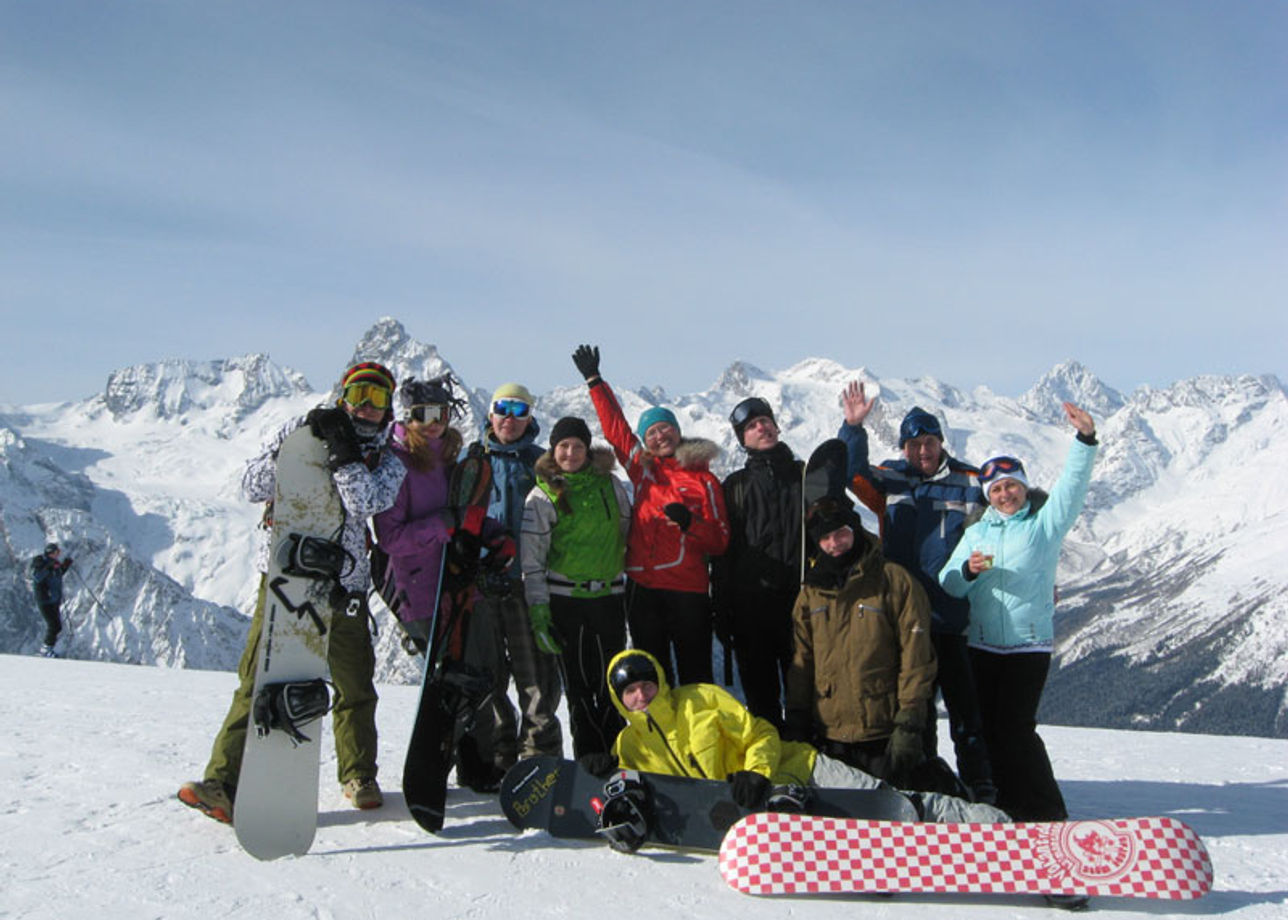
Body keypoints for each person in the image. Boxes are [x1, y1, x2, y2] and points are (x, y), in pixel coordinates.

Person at [178, 361, 407, 823]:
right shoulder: (299, 431)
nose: (366, 407)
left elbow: (362, 502)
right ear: (342, 395)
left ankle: (358, 774)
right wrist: (305, 443)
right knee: (258, 677)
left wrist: (342, 455)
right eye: (359, 393)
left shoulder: (389, 463)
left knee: (353, 684)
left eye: (378, 399)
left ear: (388, 411)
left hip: (344, 585)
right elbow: (251, 485)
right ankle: (223, 781)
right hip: (286, 579)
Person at [582, 649, 1006, 851]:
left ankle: (993, 829)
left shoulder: (701, 699)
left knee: (892, 804)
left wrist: (757, 771)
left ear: (659, 680)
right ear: (621, 700)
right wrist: (608, 770)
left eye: (646, 684)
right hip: (771, 809)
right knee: (870, 833)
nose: (641, 695)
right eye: (631, 691)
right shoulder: (630, 743)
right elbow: (648, 788)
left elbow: (761, 732)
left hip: (801, 769)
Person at [940, 401, 1099, 827]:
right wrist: (967, 571)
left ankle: (1047, 808)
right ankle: (1007, 807)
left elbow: (1071, 489)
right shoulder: (977, 532)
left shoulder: (1044, 525)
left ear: (1023, 488)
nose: (1005, 494)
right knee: (989, 730)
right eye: (996, 490)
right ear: (988, 497)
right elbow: (948, 583)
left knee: (1016, 729)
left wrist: (1084, 441)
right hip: (982, 645)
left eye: (1011, 486)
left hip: (1028, 644)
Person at [838, 383, 996, 803]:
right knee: (915, 712)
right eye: (913, 444)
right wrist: (853, 426)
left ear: (941, 442)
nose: (922, 451)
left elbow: (1008, 521)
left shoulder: (970, 481)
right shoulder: (891, 479)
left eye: (928, 442)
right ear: (904, 447)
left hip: (952, 618)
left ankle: (981, 787)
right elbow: (849, 472)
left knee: (966, 712)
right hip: (904, 622)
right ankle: (925, 783)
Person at [572, 345, 730, 685]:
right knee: (651, 680)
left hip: (687, 591)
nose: (659, 436)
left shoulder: (705, 480)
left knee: (695, 678)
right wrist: (595, 381)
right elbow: (616, 430)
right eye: (651, 433)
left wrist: (691, 524)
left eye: (665, 429)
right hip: (642, 590)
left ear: (677, 431)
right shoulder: (642, 470)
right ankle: (658, 738)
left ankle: (698, 737)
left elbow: (720, 541)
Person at [783, 495, 937, 787]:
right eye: (825, 537)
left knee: (888, 819)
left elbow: (916, 656)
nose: (834, 543)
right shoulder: (812, 591)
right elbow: (802, 659)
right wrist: (797, 715)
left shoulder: (893, 580)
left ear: (854, 530)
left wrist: (910, 721)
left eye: (840, 532)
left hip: (883, 730)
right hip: (830, 732)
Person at [458, 383, 564, 792]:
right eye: (502, 408)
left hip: (527, 583)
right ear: (490, 414)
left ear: (529, 418)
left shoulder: (542, 464)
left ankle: (539, 756)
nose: (509, 417)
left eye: (519, 410)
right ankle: (499, 755)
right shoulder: (471, 461)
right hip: (482, 586)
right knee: (489, 675)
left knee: (536, 674)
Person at [520, 415, 632, 758]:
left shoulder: (610, 485)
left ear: (588, 449)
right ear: (554, 450)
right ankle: (589, 760)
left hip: (610, 598)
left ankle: (618, 754)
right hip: (566, 600)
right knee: (580, 687)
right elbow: (532, 561)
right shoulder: (541, 496)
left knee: (613, 684)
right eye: (564, 446)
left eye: (578, 446)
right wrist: (539, 611)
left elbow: (626, 531)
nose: (571, 453)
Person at [711, 396, 804, 727]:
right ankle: (773, 770)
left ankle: (812, 770)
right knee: (762, 708)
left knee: (806, 702)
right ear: (743, 439)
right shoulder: (735, 487)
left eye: (765, 421)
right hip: (752, 615)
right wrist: (722, 611)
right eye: (751, 425)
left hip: (802, 609)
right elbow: (722, 555)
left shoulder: (805, 477)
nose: (761, 427)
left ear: (777, 427)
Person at [31, 543, 73, 658]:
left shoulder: (54, 564)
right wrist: (49, 567)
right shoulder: (40, 562)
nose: (58, 555)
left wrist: (65, 566)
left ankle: (47, 649)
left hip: (53, 599)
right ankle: (45, 650)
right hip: (44, 600)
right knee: (53, 624)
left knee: (57, 626)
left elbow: (57, 575)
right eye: (56, 552)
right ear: (51, 552)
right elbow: (37, 577)